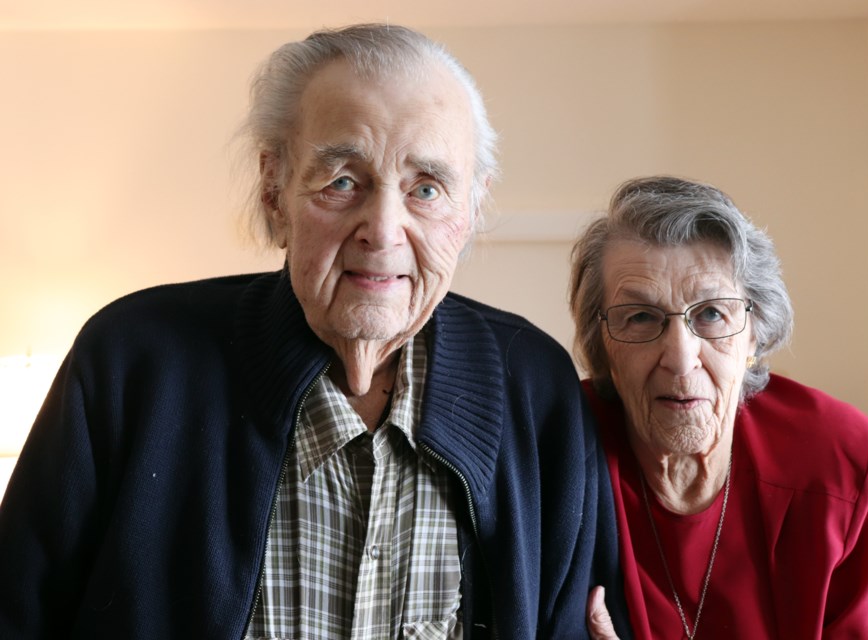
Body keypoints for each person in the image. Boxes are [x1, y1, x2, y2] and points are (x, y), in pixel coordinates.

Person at [0, 25, 630, 639]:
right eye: (343, 182)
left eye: (427, 188)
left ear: (468, 209)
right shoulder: (130, 362)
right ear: (275, 191)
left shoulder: (536, 389)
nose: (382, 230)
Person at [574, 176, 868, 639]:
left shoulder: (839, 462)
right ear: (603, 346)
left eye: (712, 314)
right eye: (640, 317)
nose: (680, 359)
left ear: (754, 333)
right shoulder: (550, 452)